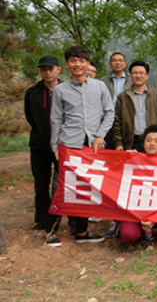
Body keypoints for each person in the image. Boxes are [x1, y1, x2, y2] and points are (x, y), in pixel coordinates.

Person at [49, 46, 114, 245]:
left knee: (85, 187)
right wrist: (55, 146)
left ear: (88, 63)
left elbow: (109, 112)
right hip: (69, 145)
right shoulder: (60, 90)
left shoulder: (99, 86)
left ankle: (81, 232)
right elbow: (56, 119)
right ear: (66, 64)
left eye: (82, 60)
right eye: (73, 60)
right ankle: (51, 231)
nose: (78, 64)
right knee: (60, 187)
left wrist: (100, 135)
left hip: (91, 146)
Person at [118, 125, 157, 246]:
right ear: (143, 143)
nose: (152, 144)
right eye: (149, 140)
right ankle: (138, 232)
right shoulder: (133, 160)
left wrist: (154, 218)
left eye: (156, 141)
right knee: (128, 235)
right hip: (135, 211)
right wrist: (123, 158)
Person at [24, 56, 62, 233]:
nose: (47, 72)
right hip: (39, 147)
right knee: (41, 185)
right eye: (44, 69)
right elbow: (30, 117)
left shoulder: (66, 90)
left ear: (58, 69)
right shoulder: (32, 93)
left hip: (62, 147)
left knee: (62, 185)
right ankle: (42, 219)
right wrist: (41, 133)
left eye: (51, 68)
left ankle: (64, 220)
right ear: (40, 70)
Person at [113, 60, 157, 152]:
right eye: (135, 73)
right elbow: (118, 122)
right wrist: (118, 142)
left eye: (141, 73)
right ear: (130, 76)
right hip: (131, 141)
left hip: (152, 141)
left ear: (147, 76)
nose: (138, 76)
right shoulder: (123, 97)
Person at [101, 52, 132, 149]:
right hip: (108, 117)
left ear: (125, 64)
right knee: (110, 146)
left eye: (120, 60)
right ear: (110, 64)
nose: (117, 63)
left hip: (126, 117)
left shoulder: (131, 80)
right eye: (114, 60)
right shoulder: (103, 81)